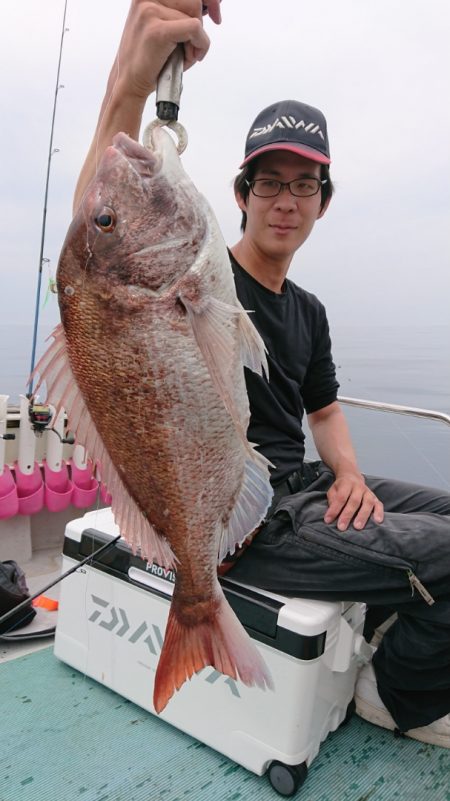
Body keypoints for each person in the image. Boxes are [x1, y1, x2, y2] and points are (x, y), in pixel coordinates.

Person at [74, 0, 450, 748]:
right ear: (239, 196)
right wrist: (126, 84)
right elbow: (95, 261)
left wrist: (348, 474)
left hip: (297, 487)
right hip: (244, 523)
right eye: (269, 182)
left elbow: (326, 408)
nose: (285, 200)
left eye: (303, 185)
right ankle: (394, 694)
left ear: (322, 203)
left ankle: (388, 628)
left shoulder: (307, 310)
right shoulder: (192, 285)